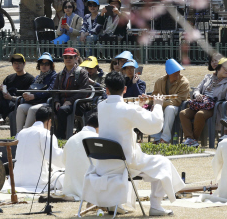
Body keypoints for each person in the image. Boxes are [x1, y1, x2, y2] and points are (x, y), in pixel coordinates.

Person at [83, 72, 185, 215]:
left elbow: (122, 116)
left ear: (106, 90)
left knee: (155, 162)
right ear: (125, 89)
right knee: (163, 163)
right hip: (125, 163)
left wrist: (138, 104)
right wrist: (157, 105)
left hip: (104, 163)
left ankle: (114, 205)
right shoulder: (128, 109)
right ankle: (155, 206)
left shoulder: (101, 106)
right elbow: (154, 126)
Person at [180, 58, 227, 147]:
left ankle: (194, 139)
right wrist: (197, 94)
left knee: (200, 114)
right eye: (225, 68)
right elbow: (197, 89)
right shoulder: (208, 77)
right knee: (183, 113)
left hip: (214, 107)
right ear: (218, 68)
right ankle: (189, 138)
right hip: (200, 103)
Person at [0, 54, 35, 138]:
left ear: (24, 64)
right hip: (6, 103)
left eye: (19, 63)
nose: (17, 65)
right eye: (15, 63)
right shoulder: (9, 78)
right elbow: (0, 94)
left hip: (16, 104)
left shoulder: (30, 79)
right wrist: (1, 90)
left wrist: (11, 97)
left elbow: (27, 98)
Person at [14, 105, 64, 193]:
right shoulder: (46, 133)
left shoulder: (22, 132)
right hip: (37, 182)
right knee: (63, 176)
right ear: (49, 121)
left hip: (16, 180)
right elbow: (55, 158)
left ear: (35, 120)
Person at [52, 47, 91, 139]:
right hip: (62, 102)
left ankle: (60, 138)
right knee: (47, 108)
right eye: (66, 57)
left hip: (78, 104)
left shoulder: (82, 72)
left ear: (76, 58)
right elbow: (54, 90)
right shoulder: (60, 74)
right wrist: (56, 101)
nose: (68, 59)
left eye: (71, 57)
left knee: (62, 110)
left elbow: (84, 91)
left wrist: (70, 101)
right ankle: (47, 138)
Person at [150, 59, 190, 144]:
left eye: (178, 72)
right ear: (168, 73)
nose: (178, 75)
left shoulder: (184, 82)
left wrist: (161, 104)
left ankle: (165, 138)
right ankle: (156, 138)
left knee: (169, 109)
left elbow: (179, 100)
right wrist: (150, 100)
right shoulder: (160, 81)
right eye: (175, 73)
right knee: (154, 108)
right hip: (163, 104)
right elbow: (155, 94)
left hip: (179, 106)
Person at [61, 113, 99, 200]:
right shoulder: (98, 138)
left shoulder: (71, 139)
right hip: (89, 189)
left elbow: (63, 162)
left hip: (69, 189)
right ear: (98, 127)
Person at [15, 53, 57, 132]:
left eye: (46, 63)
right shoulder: (38, 77)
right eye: (41, 63)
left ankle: (25, 133)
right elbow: (31, 88)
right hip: (35, 102)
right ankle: (18, 133)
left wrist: (35, 96)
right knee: (21, 107)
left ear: (51, 65)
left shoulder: (54, 76)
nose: (43, 66)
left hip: (46, 102)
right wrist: (27, 94)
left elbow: (50, 91)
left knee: (32, 109)